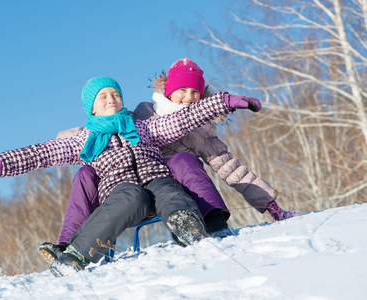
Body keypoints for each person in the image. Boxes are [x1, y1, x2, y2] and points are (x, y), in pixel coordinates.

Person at [0, 75, 261, 276]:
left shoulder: (143, 127)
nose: (111, 99)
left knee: (171, 191)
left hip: (156, 178)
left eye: (115, 94)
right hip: (120, 189)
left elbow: (183, 119)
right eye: (103, 96)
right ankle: (77, 254)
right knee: (129, 198)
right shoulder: (83, 139)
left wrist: (226, 102)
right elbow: (40, 153)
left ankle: (188, 228)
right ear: (91, 107)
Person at [39, 58, 299, 263]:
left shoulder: (200, 129)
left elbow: (232, 170)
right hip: (123, 183)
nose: (188, 97)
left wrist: (271, 205)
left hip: (168, 185)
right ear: (168, 91)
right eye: (182, 90)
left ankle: (211, 222)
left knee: (183, 160)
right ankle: (68, 245)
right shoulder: (143, 115)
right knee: (86, 174)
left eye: (195, 92)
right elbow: (101, 126)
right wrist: (65, 144)